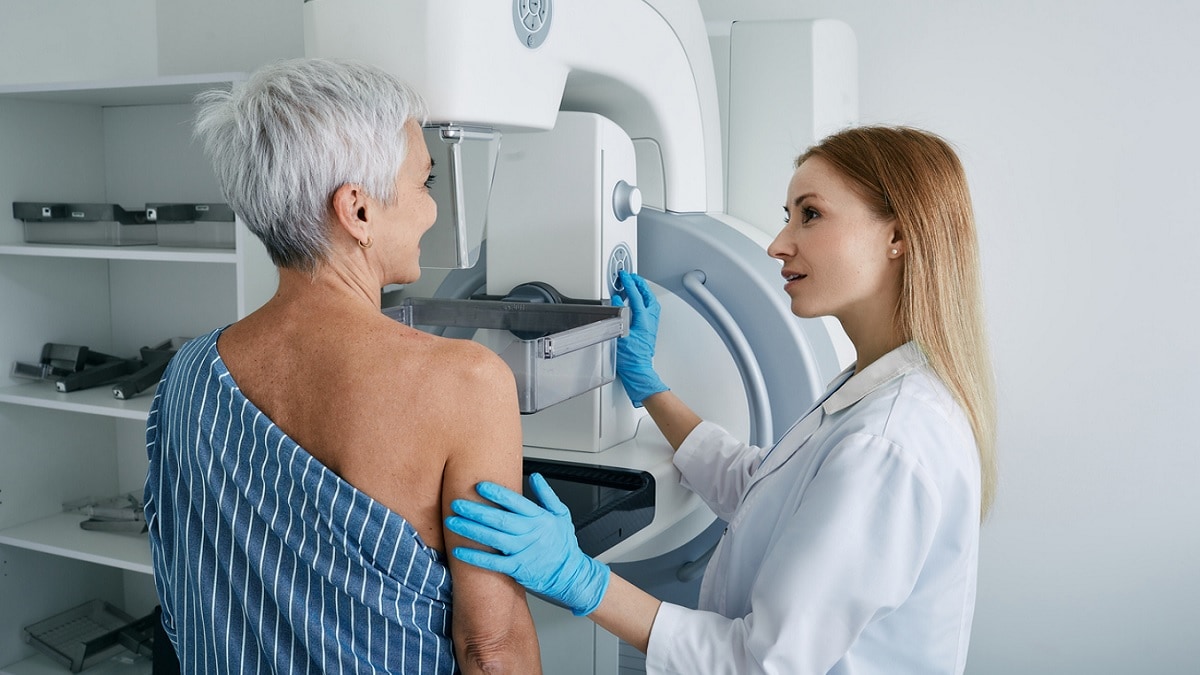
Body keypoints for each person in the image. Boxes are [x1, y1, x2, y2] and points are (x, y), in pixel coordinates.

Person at [446, 125, 997, 674]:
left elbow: (759, 664)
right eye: (787, 217)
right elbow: (766, 492)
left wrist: (579, 579)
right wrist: (647, 384)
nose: (779, 244)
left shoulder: (887, 441)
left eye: (810, 214)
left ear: (896, 236)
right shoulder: (877, 385)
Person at [143, 58, 541, 674]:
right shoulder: (467, 382)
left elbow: (179, 592)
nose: (432, 212)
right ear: (357, 210)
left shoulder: (187, 375)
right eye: (425, 185)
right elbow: (491, 649)